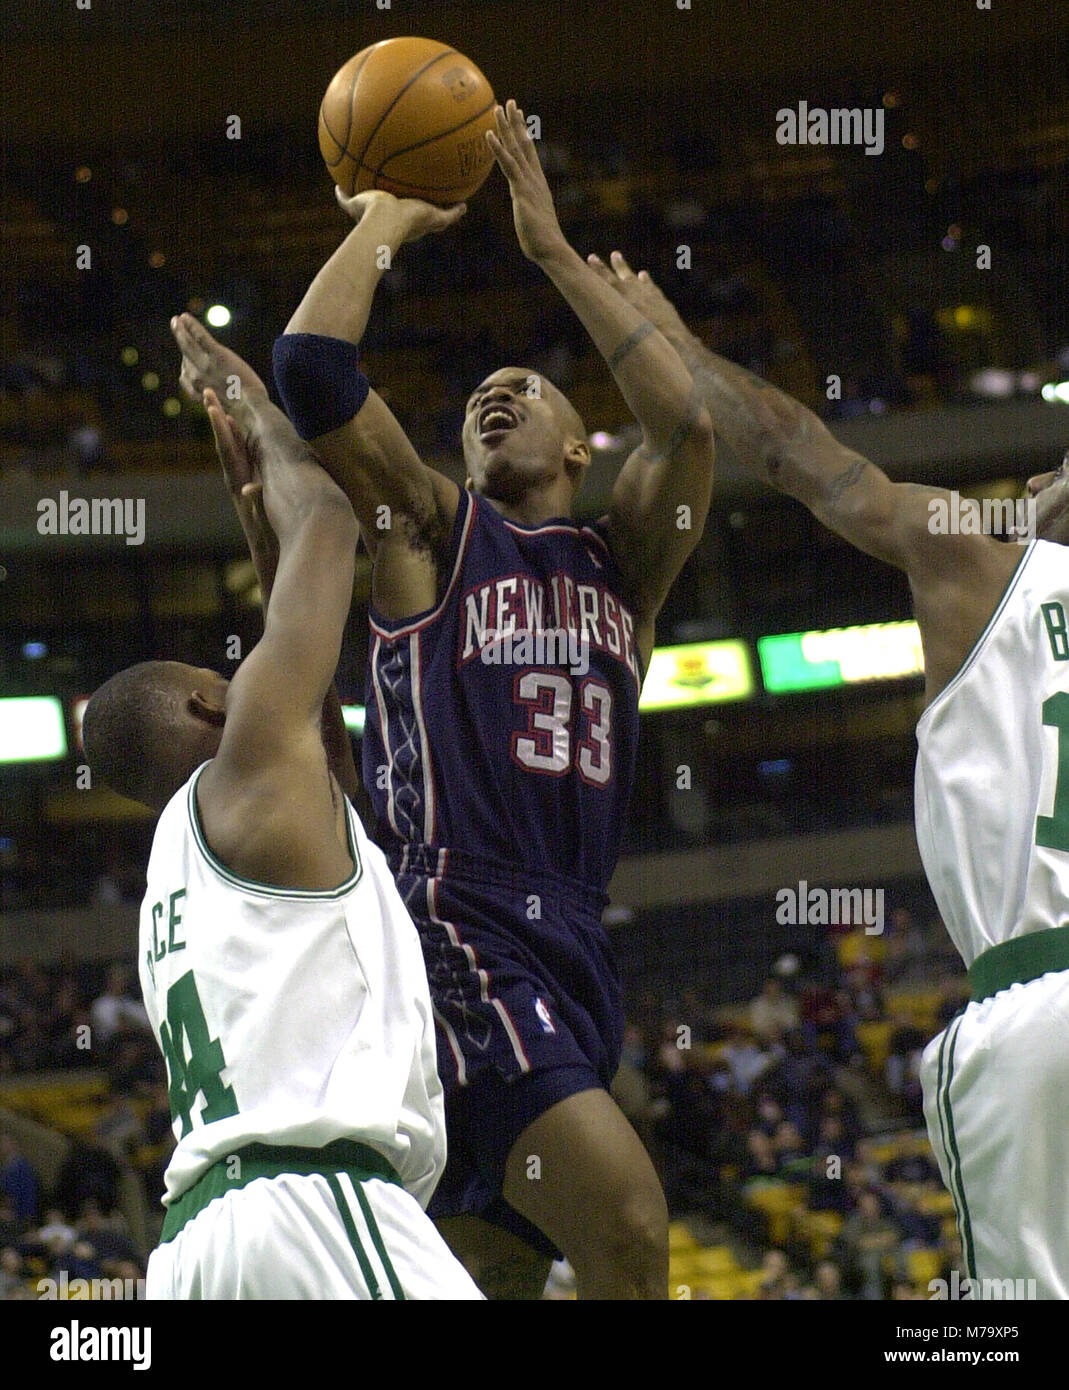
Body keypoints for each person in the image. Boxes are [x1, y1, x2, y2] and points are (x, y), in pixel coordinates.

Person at [173, 99, 715, 1299]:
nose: (494, 396)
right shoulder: (430, 527)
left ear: (583, 445)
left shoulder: (622, 566)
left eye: (525, 385)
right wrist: (383, 223)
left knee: (494, 1280)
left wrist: (552, 250)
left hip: (574, 939)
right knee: (624, 1224)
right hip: (452, 921)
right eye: (478, 395)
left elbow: (684, 421)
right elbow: (314, 367)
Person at [587, 249, 1069, 1297]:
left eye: (1048, 470)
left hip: (1040, 1004)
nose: (1031, 476)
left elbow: (796, 451)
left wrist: (673, 343)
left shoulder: (975, 562)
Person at [82, 378, 481, 1300]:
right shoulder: (249, 765)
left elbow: (326, 753)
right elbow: (334, 521)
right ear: (205, 703)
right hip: (317, 1212)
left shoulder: (189, 866)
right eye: (225, 673)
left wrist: (256, 516)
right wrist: (256, 409)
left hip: (197, 1249)